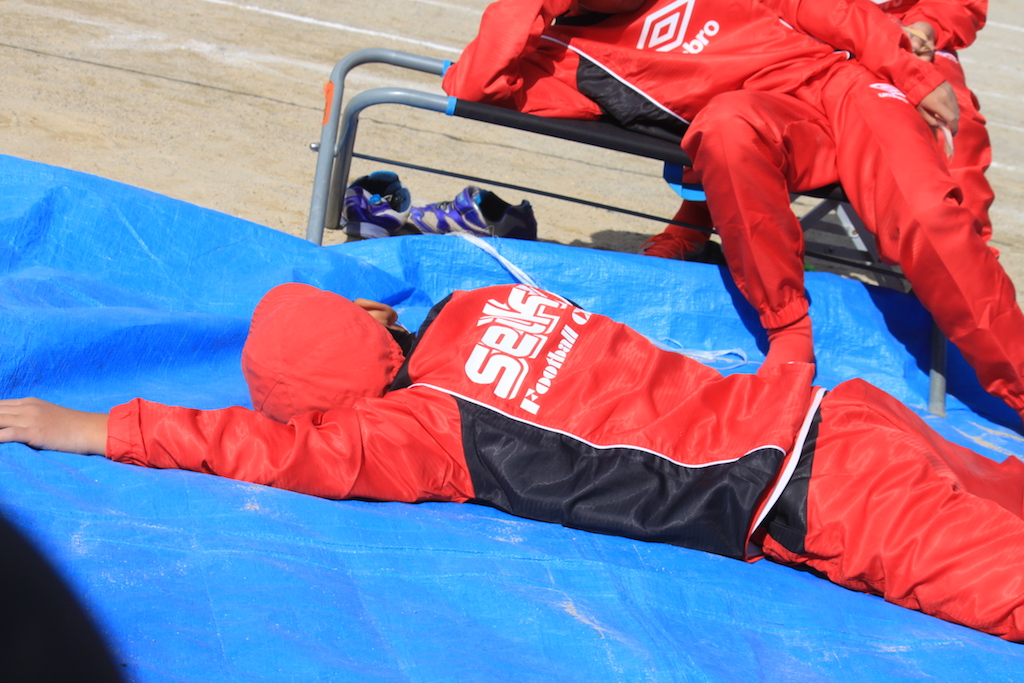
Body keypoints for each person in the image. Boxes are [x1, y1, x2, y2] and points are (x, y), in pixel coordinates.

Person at [2, 282, 1024, 641]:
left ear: (337, 405)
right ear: (370, 320)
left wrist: (89, 426)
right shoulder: (486, 305)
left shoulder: (423, 429)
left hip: (826, 494)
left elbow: (267, 450)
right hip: (843, 416)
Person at [440, 0, 1024, 425]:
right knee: (724, 127)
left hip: (846, 84)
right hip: (776, 121)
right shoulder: (569, 58)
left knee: (931, 218)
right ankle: (789, 333)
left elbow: (823, 8)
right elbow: (475, 82)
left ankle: (1015, 380)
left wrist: (914, 71)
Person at [642, 0, 995, 262]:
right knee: (730, 96)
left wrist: (926, 26)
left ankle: (967, 250)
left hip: (909, 30)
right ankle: (694, 221)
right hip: (798, 18)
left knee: (956, 120)